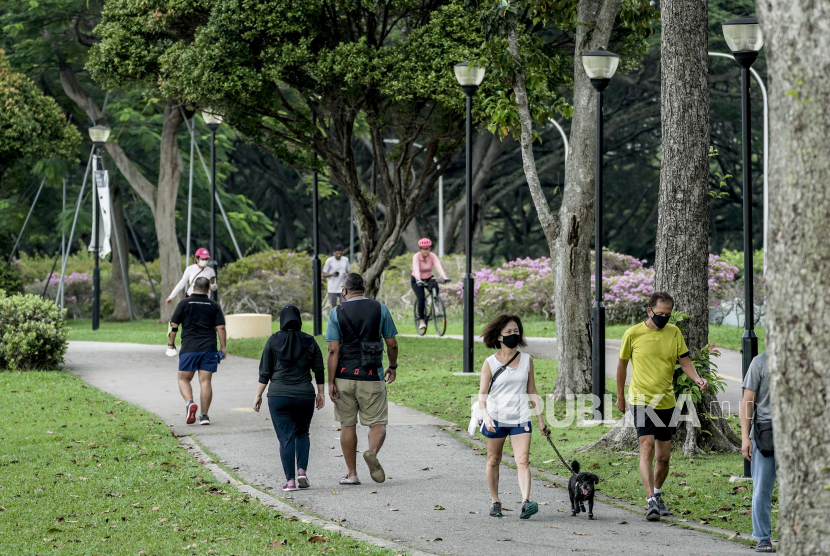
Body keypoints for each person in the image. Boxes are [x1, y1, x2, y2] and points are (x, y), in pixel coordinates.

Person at [615, 291, 709, 521]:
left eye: (667, 314)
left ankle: (657, 494)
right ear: (649, 311)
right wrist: (620, 397)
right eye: (660, 314)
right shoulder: (633, 333)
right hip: (641, 399)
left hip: (666, 400)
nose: (664, 318)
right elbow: (622, 365)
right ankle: (650, 502)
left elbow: (684, 361)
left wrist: (696, 378)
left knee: (664, 457)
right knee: (646, 446)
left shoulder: (674, 333)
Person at [326, 273, 398, 485]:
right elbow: (392, 343)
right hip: (372, 375)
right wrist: (392, 366)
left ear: (345, 291)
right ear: (364, 289)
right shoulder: (380, 308)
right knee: (377, 422)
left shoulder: (336, 312)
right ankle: (372, 452)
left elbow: (332, 350)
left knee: (347, 425)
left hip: (344, 376)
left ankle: (352, 474)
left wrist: (330, 382)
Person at [478, 314, 547, 520]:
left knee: (523, 460)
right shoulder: (489, 363)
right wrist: (486, 416)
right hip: (496, 418)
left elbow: (532, 390)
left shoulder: (527, 360)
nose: (513, 335)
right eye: (508, 332)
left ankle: (526, 502)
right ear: (498, 336)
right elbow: (482, 393)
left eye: (516, 331)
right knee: (493, 460)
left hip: (520, 418)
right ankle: (495, 502)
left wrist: (541, 420)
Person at [254, 305, 326, 492]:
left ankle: (290, 481)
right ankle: (302, 471)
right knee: (302, 433)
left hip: (278, 396)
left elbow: (265, 372)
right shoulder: (309, 341)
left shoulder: (273, 341)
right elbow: (319, 369)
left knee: (286, 438)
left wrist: (258, 395)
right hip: (304, 395)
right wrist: (321, 393)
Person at [167, 277, 226, 426]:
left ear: (193, 288)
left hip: (189, 348)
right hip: (209, 348)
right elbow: (221, 328)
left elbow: (173, 325)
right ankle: (204, 416)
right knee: (205, 381)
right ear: (208, 290)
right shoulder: (214, 305)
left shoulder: (184, 303)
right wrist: (223, 347)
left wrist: (171, 344)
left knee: (183, 379)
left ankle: (190, 403)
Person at [740, 352, 776, 553]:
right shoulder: (759, 362)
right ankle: (763, 537)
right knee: (762, 488)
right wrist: (745, 437)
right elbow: (748, 401)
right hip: (764, 433)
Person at [411, 238, 449, 332]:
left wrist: (444, 277)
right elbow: (416, 269)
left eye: (427, 249)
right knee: (421, 298)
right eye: (424, 249)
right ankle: (422, 320)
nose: (426, 251)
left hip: (428, 277)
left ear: (430, 249)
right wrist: (419, 280)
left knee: (436, 288)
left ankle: (435, 304)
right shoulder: (416, 257)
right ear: (420, 249)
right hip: (417, 279)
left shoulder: (432, 256)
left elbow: (438, 266)